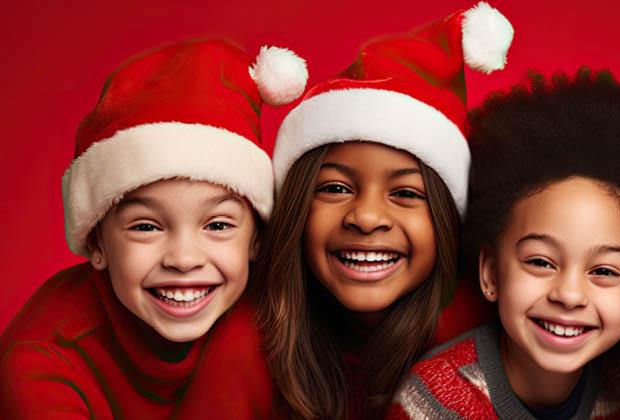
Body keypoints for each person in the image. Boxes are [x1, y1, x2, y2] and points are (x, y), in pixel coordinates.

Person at [0, 38, 307, 418]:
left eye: (217, 224)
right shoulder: (41, 360)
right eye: (146, 227)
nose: (183, 258)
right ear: (97, 242)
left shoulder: (273, 318)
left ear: (256, 239)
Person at [251, 2, 514, 418]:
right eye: (336, 187)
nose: (367, 217)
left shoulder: (484, 345)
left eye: (406, 193)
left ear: (448, 221)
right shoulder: (252, 342)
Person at [389, 68, 620, 420]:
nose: (570, 294)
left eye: (604, 270)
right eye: (541, 262)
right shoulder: (435, 401)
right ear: (490, 272)